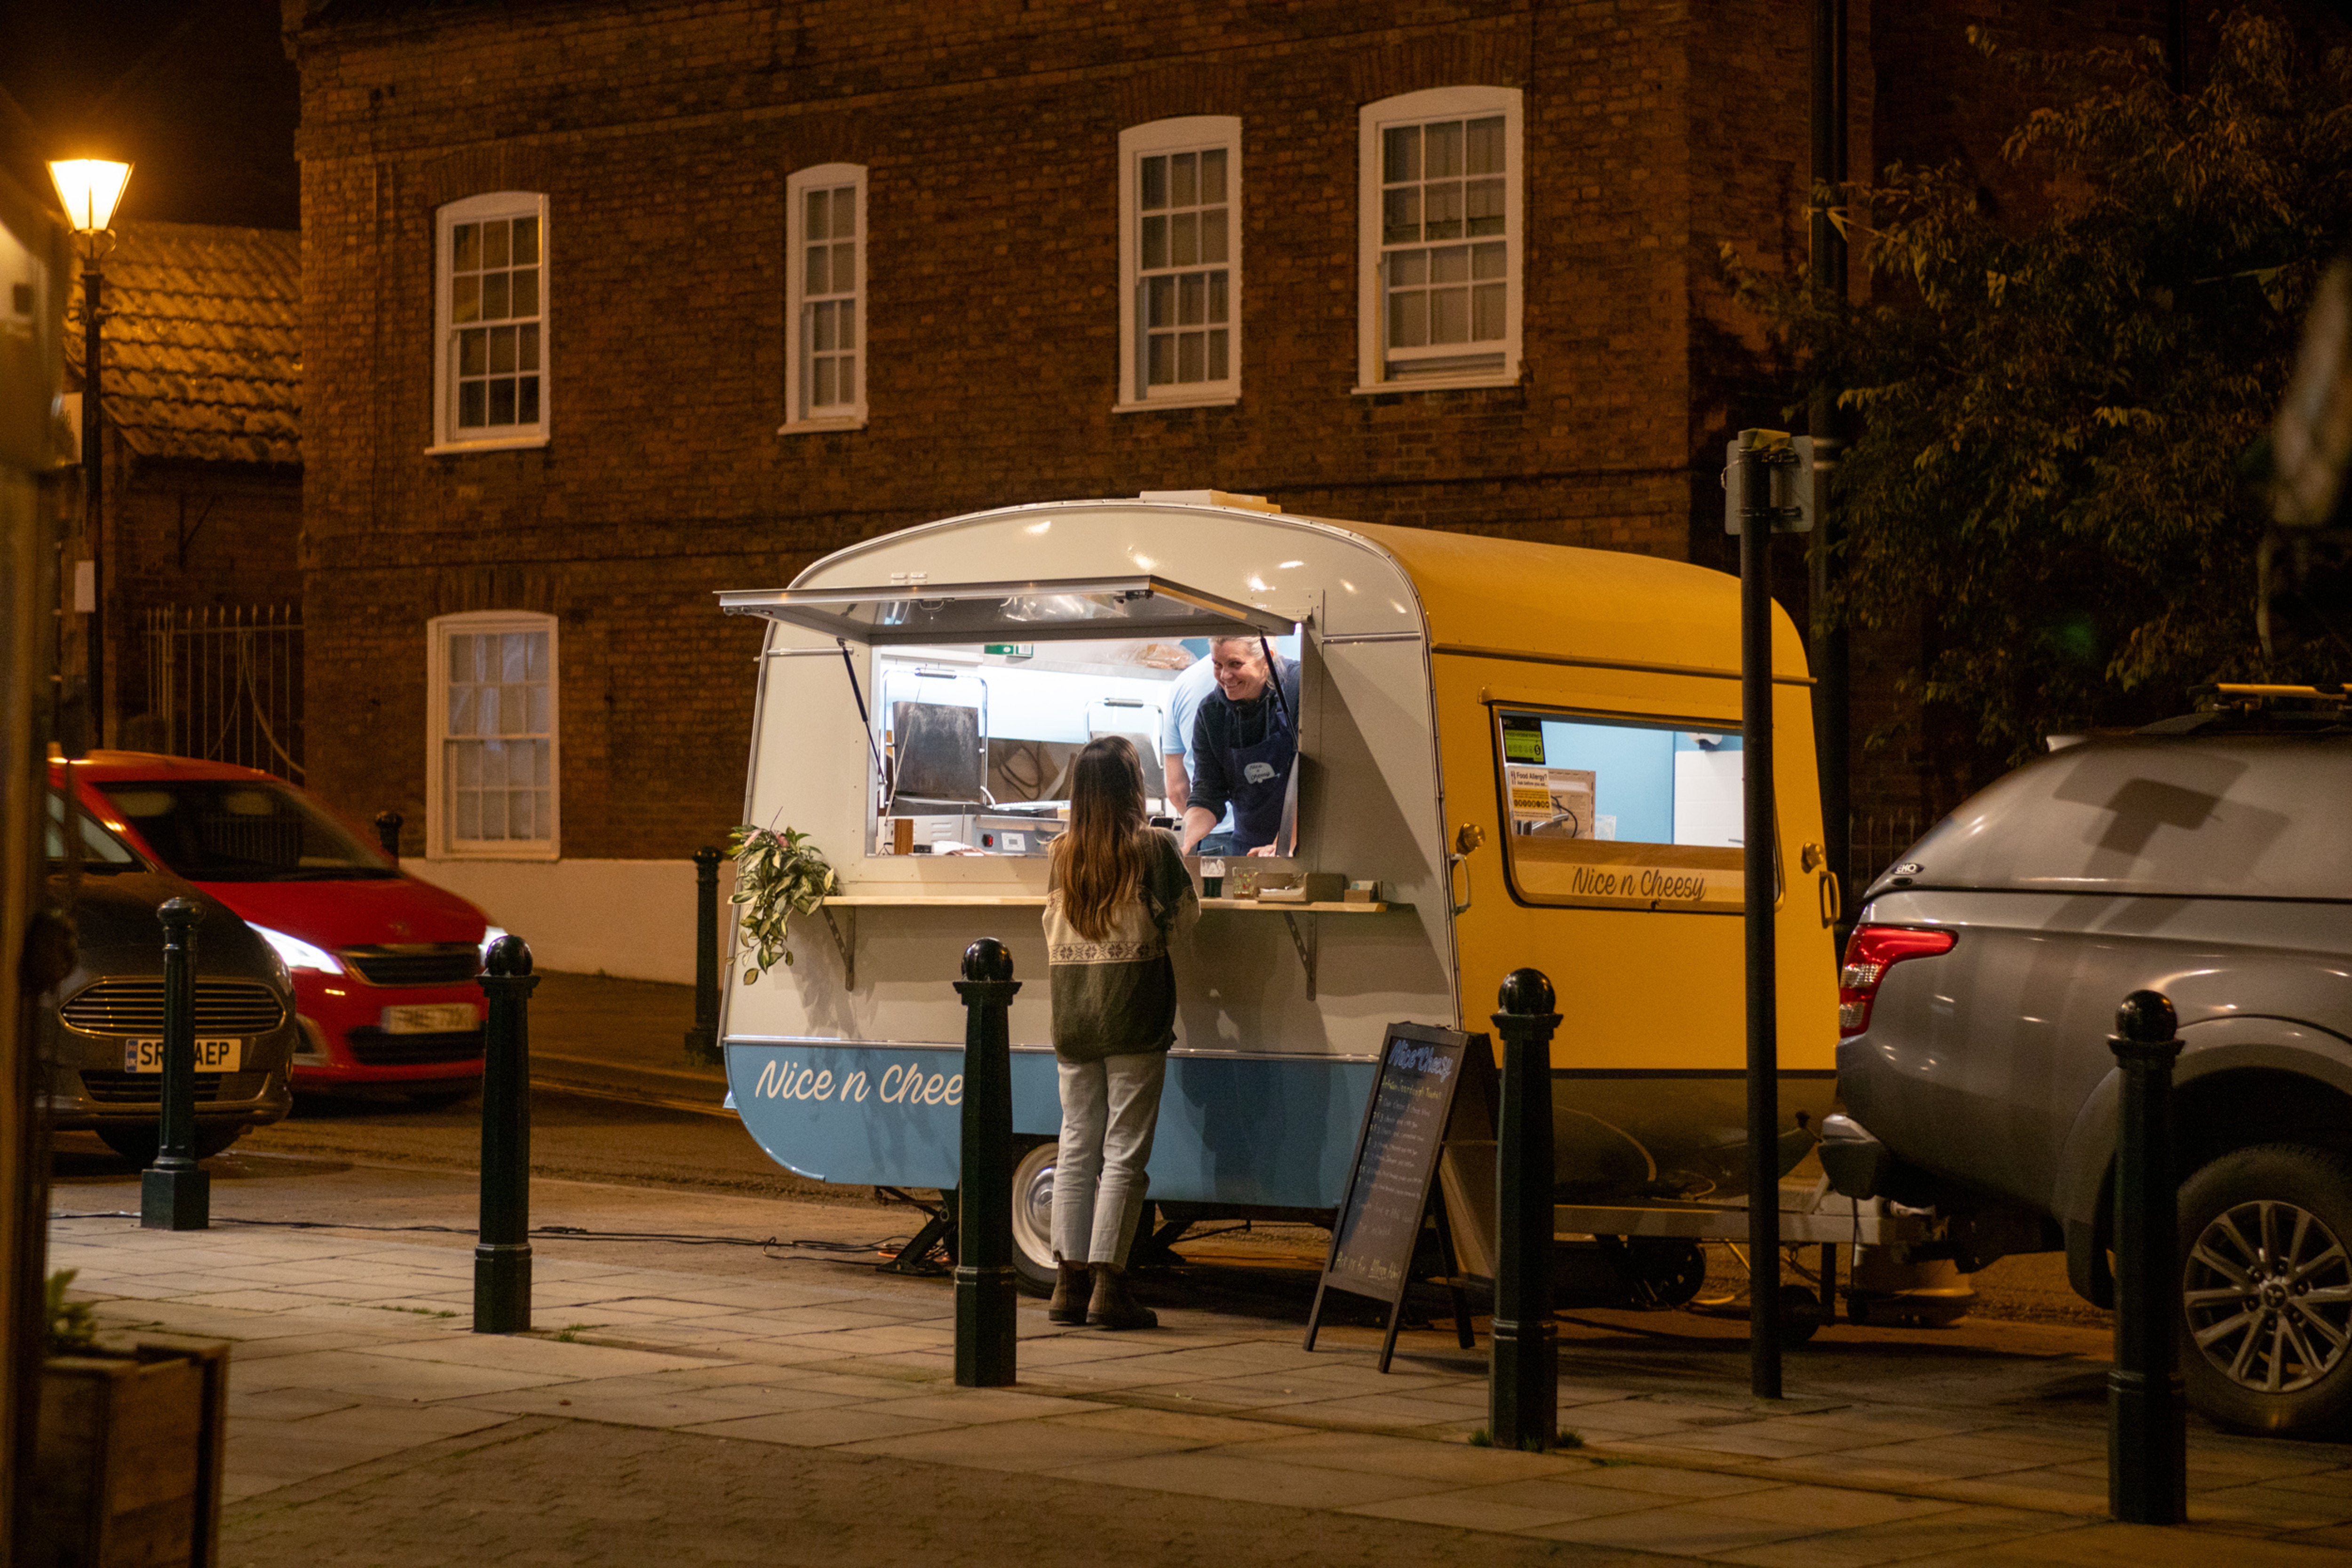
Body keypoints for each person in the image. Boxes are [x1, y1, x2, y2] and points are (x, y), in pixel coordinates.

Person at [1043, 734, 1198, 1329]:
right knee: (1124, 1152)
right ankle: (1110, 1286)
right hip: (1133, 1012)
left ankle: (1066, 1282)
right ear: (1131, 787)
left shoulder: (1060, 852)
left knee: (1076, 1145)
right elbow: (1184, 924)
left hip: (1074, 1016)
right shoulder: (1154, 847)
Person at [1179, 635, 1301, 857]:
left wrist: (1284, 846)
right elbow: (1208, 795)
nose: (1225, 676)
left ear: (1267, 660)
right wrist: (1181, 840)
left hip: (1304, 846)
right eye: (1218, 665)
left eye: (1235, 664)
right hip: (1248, 849)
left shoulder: (1298, 690)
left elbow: (1313, 783)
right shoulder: (1211, 712)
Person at [1158, 652, 1235, 854]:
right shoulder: (1277, 676)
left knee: (1215, 886)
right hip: (1270, 839)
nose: (1226, 677)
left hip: (1209, 835)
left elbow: (1175, 788)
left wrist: (1197, 830)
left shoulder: (1184, 682)